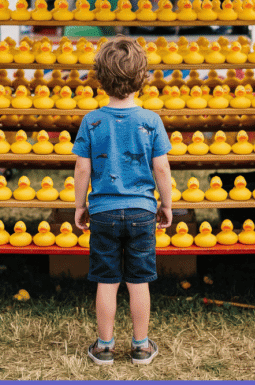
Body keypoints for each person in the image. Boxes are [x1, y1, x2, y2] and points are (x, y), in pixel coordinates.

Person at [73, 36, 173, 366]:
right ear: (141, 77)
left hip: (102, 213)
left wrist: (79, 205)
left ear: (101, 78)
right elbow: (161, 167)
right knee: (138, 281)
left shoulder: (91, 121)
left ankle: (104, 347)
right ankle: (141, 346)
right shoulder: (151, 120)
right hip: (143, 211)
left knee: (107, 282)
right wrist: (167, 204)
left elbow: (82, 167)